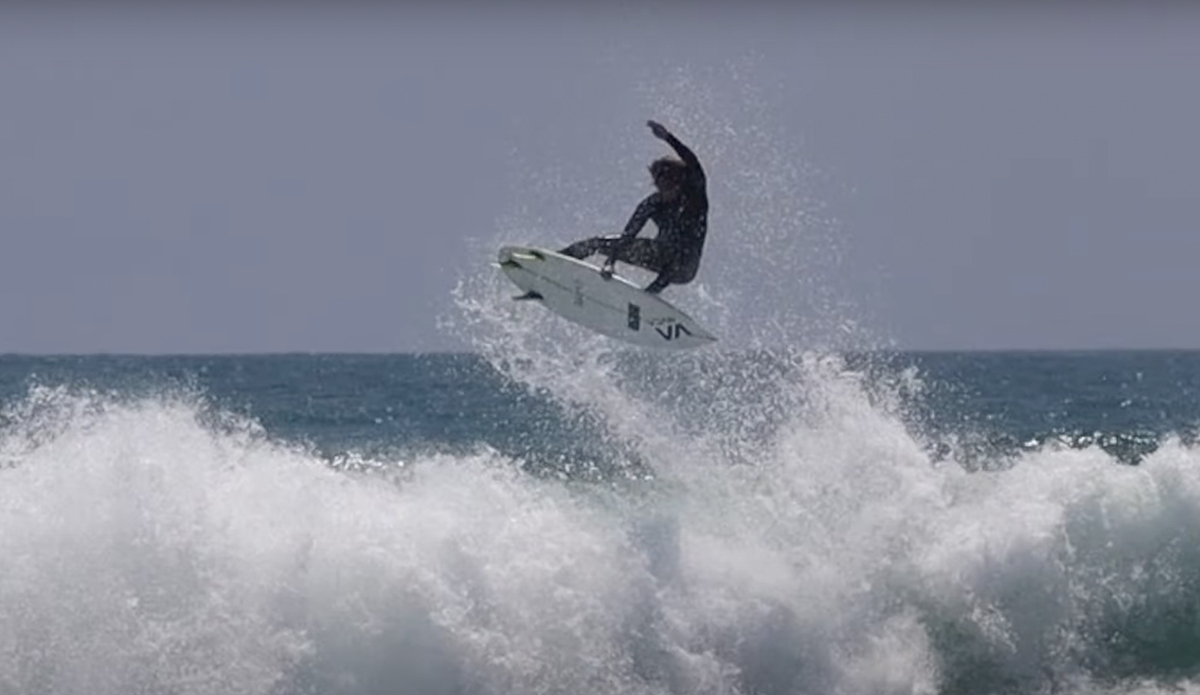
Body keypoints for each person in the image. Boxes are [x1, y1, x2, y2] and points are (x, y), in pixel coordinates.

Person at [549, 120, 709, 295]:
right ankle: (555, 262)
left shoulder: (695, 198)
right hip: (658, 254)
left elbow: (694, 164)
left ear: (679, 182)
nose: (664, 191)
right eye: (659, 185)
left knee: (675, 254)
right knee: (596, 243)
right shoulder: (653, 203)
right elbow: (627, 237)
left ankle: (649, 295)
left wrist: (668, 138)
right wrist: (610, 263)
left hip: (685, 266)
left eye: (668, 186)